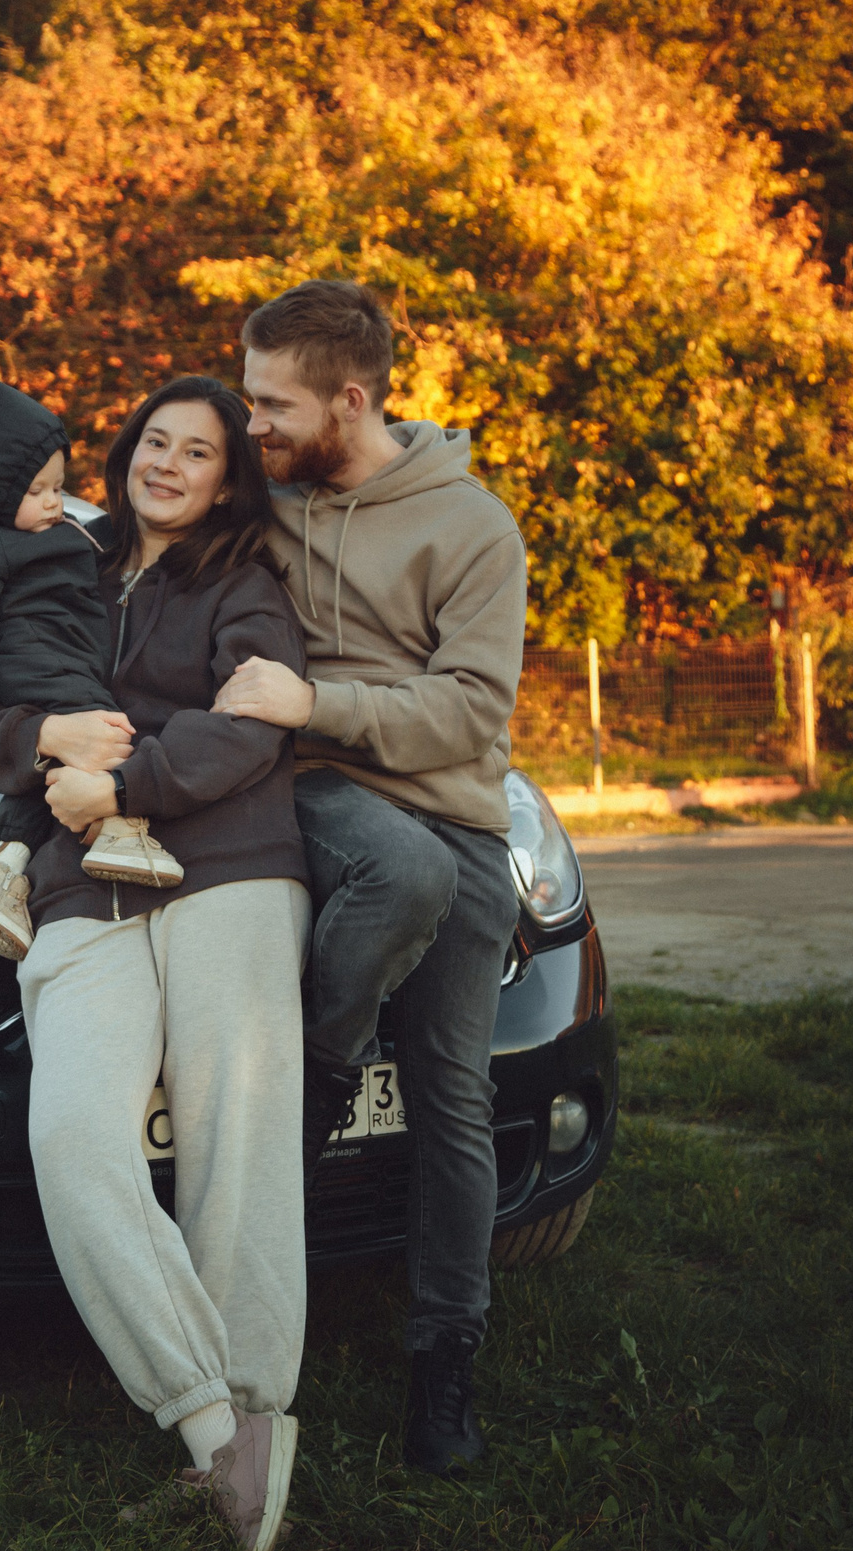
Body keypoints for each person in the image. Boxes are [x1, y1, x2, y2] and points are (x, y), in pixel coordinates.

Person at [0, 374, 311, 1551]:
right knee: (73, 1137)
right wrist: (43, 741)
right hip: (79, 884)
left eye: (197, 451)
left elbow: (251, 724)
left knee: (235, 1135)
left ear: (225, 478)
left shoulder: (243, 583)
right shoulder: (54, 558)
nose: (167, 463)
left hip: (229, 868)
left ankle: (253, 1414)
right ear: (126, 451)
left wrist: (130, 781)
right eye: (154, 440)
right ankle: (213, 1426)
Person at [211, 279, 531, 1477]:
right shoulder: (268, 500)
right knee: (388, 875)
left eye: (273, 405)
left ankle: (445, 1357)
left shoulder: (473, 527)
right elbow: (156, 510)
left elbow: (468, 712)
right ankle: (321, 1080)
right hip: (317, 800)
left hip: (448, 813)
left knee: (455, 1101)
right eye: (248, 403)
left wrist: (317, 703)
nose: (256, 427)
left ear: (351, 400)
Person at [0, 344, 183, 960]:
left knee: (49, 772)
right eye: (37, 490)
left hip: (64, 658)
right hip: (36, 663)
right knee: (108, 732)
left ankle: (4, 872)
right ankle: (119, 829)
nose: (53, 502)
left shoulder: (64, 533)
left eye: (59, 487)